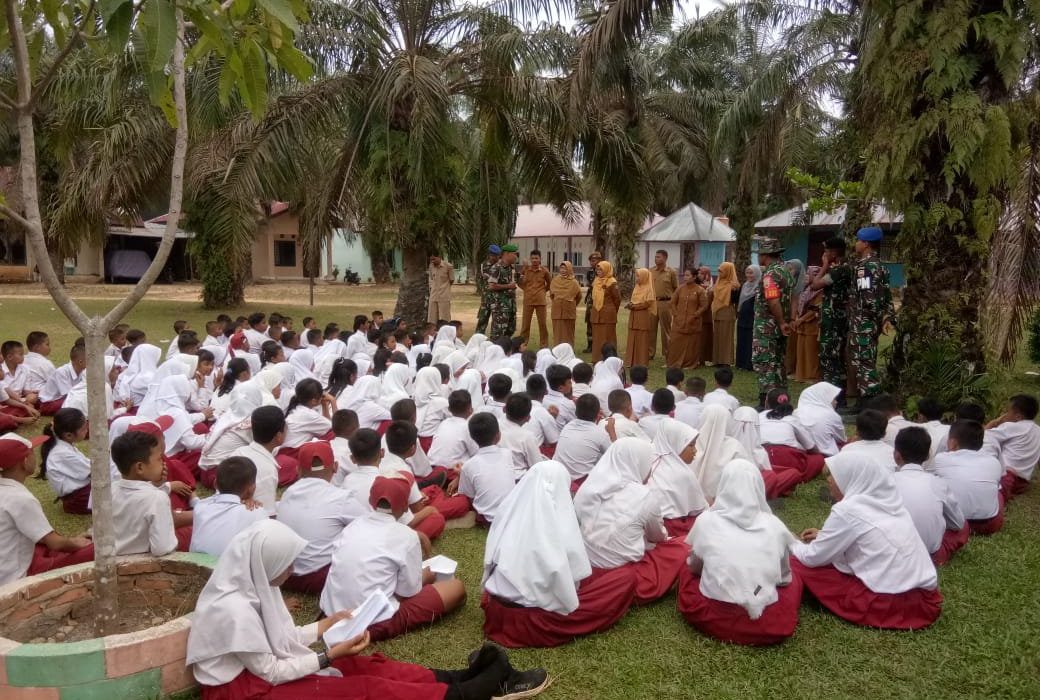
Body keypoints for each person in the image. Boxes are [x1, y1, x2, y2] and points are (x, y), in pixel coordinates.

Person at [186, 519, 547, 700]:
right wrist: (329, 657)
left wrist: (326, 625)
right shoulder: (233, 610)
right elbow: (271, 672)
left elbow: (281, 638)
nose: (294, 571)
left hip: (262, 676)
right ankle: (465, 693)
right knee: (363, 690)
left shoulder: (253, 587)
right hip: (248, 692)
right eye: (288, 563)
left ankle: (454, 678)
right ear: (266, 562)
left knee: (366, 665)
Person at [482, 459, 637, 648]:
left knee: (599, 576)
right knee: (625, 579)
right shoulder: (554, 526)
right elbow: (568, 581)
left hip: (496, 608)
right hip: (533, 621)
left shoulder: (509, 513)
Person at [791, 452, 942, 630]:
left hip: (890, 604)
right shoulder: (890, 502)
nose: (830, 481)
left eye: (834, 475)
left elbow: (812, 558)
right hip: (926, 601)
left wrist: (790, 542)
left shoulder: (848, 510)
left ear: (853, 477)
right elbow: (867, 533)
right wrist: (825, 535)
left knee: (796, 562)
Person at [319, 475, 467, 640]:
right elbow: (408, 592)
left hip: (331, 613)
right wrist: (425, 576)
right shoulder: (406, 536)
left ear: (370, 500)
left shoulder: (352, 526)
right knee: (456, 588)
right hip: (368, 623)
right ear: (405, 508)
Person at [678, 460, 802, 646]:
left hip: (713, 617)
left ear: (723, 485)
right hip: (765, 625)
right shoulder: (774, 525)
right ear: (758, 487)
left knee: (686, 569)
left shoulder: (706, 521)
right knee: (795, 580)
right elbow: (784, 579)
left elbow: (695, 569)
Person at [575, 438, 690, 604]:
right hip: (621, 576)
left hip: (586, 570)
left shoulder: (587, 488)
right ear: (638, 463)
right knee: (682, 547)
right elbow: (657, 537)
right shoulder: (644, 496)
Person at [0, 433, 93, 585]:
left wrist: (70, 540)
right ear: (24, 462)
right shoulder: (20, 498)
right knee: (96, 550)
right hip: (13, 576)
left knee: (44, 546)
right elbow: (55, 543)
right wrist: (77, 543)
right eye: (32, 453)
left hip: (7, 562)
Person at [277, 441, 367, 593]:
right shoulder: (341, 498)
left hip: (284, 578)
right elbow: (371, 526)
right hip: (320, 578)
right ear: (335, 467)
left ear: (298, 470)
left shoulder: (288, 493)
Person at [892, 427, 967, 566]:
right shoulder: (938, 483)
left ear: (896, 455)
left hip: (889, 555)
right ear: (928, 455)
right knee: (964, 527)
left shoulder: (884, 482)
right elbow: (957, 524)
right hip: (929, 557)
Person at [111, 430, 191, 555]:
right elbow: (163, 548)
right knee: (191, 531)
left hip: (116, 553)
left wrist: (158, 486)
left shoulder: (111, 489)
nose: (164, 463)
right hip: (141, 561)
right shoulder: (156, 498)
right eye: (159, 459)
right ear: (140, 467)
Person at [933, 420, 1005, 535]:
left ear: (952, 443)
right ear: (981, 444)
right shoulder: (994, 462)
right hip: (989, 524)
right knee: (998, 492)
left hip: (951, 523)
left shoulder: (941, 459)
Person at [848, 227, 894, 404]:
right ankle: (862, 402)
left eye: (859, 240)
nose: (856, 244)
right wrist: (885, 317)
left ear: (866, 244)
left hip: (863, 323)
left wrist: (867, 320)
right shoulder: (881, 265)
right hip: (871, 323)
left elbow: (868, 299)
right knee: (866, 361)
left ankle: (869, 404)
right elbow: (887, 297)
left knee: (863, 363)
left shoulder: (864, 267)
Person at [190, 457, 269, 557]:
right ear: (252, 488)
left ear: (215, 484)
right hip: (231, 570)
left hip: (196, 567)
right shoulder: (257, 512)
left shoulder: (200, 506)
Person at [452, 413, 516, 524]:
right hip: (511, 513)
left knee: (462, 499)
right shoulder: (507, 454)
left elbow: (469, 496)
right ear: (499, 435)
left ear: (472, 437)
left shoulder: (469, 465)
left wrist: (461, 474)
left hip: (486, 519)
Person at [752, 239, 795, 407]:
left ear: (765, 255)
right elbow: (793, 298)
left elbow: (773, 300)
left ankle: (766, 402)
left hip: (767, 328)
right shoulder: (785, 272)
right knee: (778, 364)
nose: (759, 257)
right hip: (779, 327)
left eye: (760, 254)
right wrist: (788, 320)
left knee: (765, 363)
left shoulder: (770, 274)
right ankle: (781, 399)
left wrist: (781, 321)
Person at [812, 237, 853, 406]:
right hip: (836, 319)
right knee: (834, 358)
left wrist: (824, 265)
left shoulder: (840, 270)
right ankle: (837, 396)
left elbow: (815, 285)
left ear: (833, 253)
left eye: (827, 252)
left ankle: (836, 398)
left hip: (834, 321)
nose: (825, 254)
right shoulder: (842, 269)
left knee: (830, 358)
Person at [649, 419, 708, 537]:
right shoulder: (683, 474)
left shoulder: (648, 462)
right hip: (676, 533)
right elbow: (700, 509)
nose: (695, 451)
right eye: (691, 445)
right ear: (675, 444)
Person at [759, 389, 824, 483]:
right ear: (787, 402)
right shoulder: (792, 419)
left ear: (767, 403)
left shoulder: (758, 416)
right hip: (788, 458)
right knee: (818, 459)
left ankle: (773, 474)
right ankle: (794, 475)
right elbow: (811, 447)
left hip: (763, 457)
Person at [232, 406, 284, 517]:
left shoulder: (238, 452)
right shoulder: (268, 470)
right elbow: (267, 516)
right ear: (279, 436)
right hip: (247, 522)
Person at [985, 393, 1040, 499]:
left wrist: (995, 422)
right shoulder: (1038, 430)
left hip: (1006, 475)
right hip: (1022, 483)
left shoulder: (1011, 427)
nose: (1004, 414)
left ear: (1018, 416)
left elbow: (981, 436)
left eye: (1007, 411)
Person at [40, 407, 91, 514]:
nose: (87, 430)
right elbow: (94, 473)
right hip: (79, 499)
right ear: (68, 435)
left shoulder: (64, 445)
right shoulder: (62, 453)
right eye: (84, 429)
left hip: (82, 492)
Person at [554, 394, 612, 486]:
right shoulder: (600, 434)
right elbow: (615, 454)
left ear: (576, 412)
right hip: (580, 483)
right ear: (598, 414)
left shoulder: (568, 426)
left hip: (558, 476)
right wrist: (611, 431)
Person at [667, 268, 708, 369]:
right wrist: (676, 315)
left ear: (694, 277)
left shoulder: (700, 290)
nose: (685, 278)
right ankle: (674, 362)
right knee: (675, 342)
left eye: (688, 275)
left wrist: (695, 315)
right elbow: (672, 303)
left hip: (693, 322)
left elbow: (704, 306)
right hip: (679, 321)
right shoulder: (680, 289)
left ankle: (690, 364)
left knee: (691, 345)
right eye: (684, 275)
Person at [792, 382, 846, 457]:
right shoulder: (832, 416)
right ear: (824, 398)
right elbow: (841, 439)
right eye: (833, 399)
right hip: (827, 457)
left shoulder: (795, 413)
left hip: (800, 454)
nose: (836, 402)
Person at [793, 265, 823, 383]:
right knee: (801, 350)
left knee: (811, 352)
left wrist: (801, 319)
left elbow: (815, 309)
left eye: (809, 273)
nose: (806, 276)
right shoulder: (807, 290)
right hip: (802, 324)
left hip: (812, 325)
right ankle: (801, 375)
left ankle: (811, 376)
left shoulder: (820, 291)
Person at [649, 250, 679, 362]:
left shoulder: (671, 272)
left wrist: (674, 303)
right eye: (655, 257)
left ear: (665, 258)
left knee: (666, 330)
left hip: (666, 303)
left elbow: (676, 289)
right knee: (651, 329)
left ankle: (668, 353)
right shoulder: (651, 271)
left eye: (659, 257)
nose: (656, 259)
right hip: (653, 303)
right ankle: (650, 353)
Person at [518, 250, 552, 348]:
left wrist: (542, 291)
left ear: (540, 259)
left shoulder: (545, 271)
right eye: (532, 258)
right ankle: (523, 345)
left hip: (541, 302)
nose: (534, 260)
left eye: (536, 258)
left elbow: (550, 284)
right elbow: (519, 282)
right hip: (528, 301)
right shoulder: (526, 270)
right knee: (525, 325)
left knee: (543, 325)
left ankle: (544, 346)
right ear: (530, 259)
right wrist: (526, 290)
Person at [589, 260, 621, 362]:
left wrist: (611, 310)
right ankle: (597, 359)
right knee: (597, 338)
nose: (598, 271)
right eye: (597, 269)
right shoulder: (596, 281)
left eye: (601, 269)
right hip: (596, 313)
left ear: (607, 270)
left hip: (607, 314)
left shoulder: (612, 282)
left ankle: (609, 359)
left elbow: (617, 299)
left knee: (608, 337)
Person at [624, 268, 656, 367]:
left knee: (642, 338)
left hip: (642, 316)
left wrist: (634, 306)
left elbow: (647, 303)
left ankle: (641, 362)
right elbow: (634, 300)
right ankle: (631, 361)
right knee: (632, 337)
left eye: (638, 276)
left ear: (644, 277)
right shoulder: (637, 287)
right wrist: (630, 304)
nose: (637, 278)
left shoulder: (648, 288)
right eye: (636, 276)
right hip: (634, 315)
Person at [488, 244, 519, 339]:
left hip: (510, 306)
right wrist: (508, 286)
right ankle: (494, 352)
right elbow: (491, 286)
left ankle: (505, 352)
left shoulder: (511, 268)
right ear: (507, 254)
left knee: (510, 331)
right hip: (500, 307)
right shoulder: (497, 267)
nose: (516, 257)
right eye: (515, 254)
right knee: (498, 334)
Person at [711, 262, 739, 366]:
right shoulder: (718, 283)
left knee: (726, 337)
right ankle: (717, 360)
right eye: (718, 270)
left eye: (721, 271)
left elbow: (735, 301)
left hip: (727, 312)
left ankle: (726, 361)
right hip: (717, 312)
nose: (719, 273)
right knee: (718, 337)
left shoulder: (733, 286)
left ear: (728, 271)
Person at [548, 260, 582, 347]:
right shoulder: (555, 281)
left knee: (568, 334)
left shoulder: (574, 282)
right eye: (561, 268)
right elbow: (552, 295)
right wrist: (559, 303)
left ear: (569, 269)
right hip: (557, 312)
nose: (563, 270)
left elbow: (578, 296)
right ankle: (557, 352)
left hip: (569, 312)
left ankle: (569, 353)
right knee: (557, 333)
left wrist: (570, 304)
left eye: (565, 268)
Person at [735, 265, 760, 371]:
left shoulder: (759, 287)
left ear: (757, 273)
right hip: (742, 316)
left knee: (750, 341)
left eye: (751, 273)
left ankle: (748, 364)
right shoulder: (744, 285)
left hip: (752, 317)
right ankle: (740, 363)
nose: (749, 275)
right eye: (747, 273)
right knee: (741, 340)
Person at [475, 245, 501, 335]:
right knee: (482, 320)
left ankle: (495, 341)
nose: (495, 257)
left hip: (498, 299)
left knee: (497, 322)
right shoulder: (483, 266)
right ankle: (478, 339)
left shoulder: (501, 266)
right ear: (489, 255)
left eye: (497, 255)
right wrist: (483, 291)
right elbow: (479, 279)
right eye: (493, 255)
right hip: (486, 299)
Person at [583, 251, 604, 352]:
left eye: (594, 260)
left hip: (601, 300)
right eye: (591, 261)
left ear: (600, 260)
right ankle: (590, 345)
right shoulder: (590, 272)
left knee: (599, 322)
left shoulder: (605, 271)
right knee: (589, 322)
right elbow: (589, 285)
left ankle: (599, 344)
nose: (592, 263)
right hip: (591, 300)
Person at [427, 252, 454, 323]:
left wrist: (444, 288)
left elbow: (451, 280)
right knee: (431, 317)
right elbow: (431, 279)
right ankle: (433, 333)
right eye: (431, 260)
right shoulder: (431, 266)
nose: (432, 261)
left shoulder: (448, 266)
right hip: (433, 295)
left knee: (445, 317)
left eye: (434, 259)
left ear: (439, 256)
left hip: (444, 295)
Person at [697, 266, 715, 366]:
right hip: (698, 315)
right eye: (699, 273)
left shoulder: (710, 287)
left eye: (702, 273)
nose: (699, 275)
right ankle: (699, 358)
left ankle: (703, 358)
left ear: (707, 275)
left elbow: (708, 302)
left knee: (704, 338)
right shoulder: (697, 285)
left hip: (706, 315)